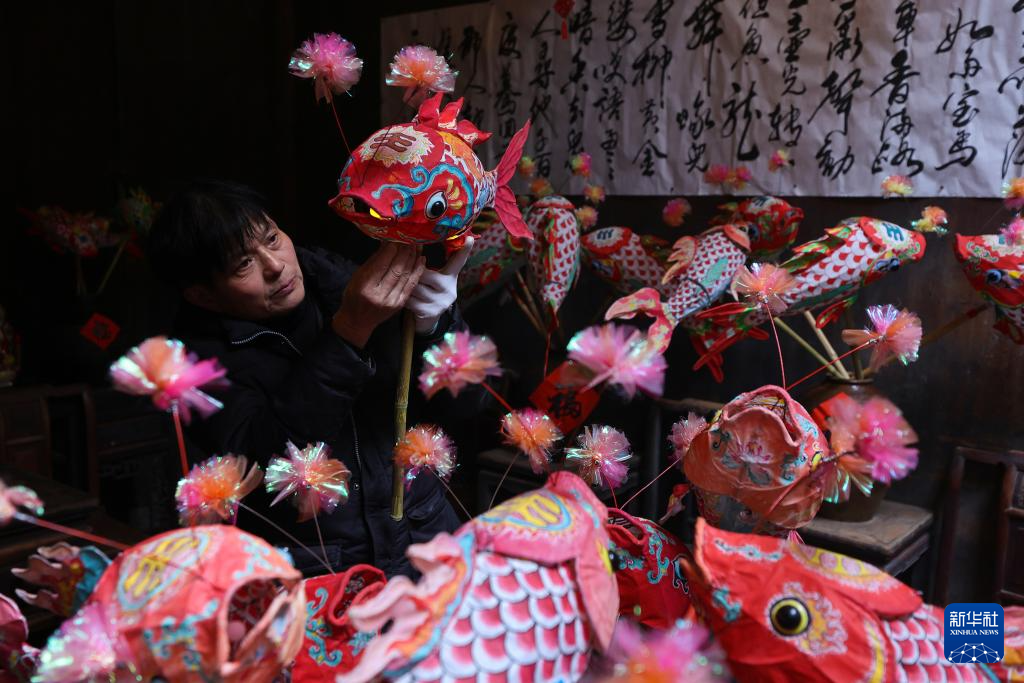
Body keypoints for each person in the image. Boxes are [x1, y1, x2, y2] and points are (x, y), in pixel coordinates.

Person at [147, 179, 482, 577]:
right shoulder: (191, 370)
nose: (275, 266)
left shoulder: (344, 283)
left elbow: (467, 408)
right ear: (202, 294)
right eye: (243, 264)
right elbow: (267, 460)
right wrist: (350, 331)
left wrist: (436, 327)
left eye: (272, 239)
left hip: (427, 540)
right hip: (322, 571)